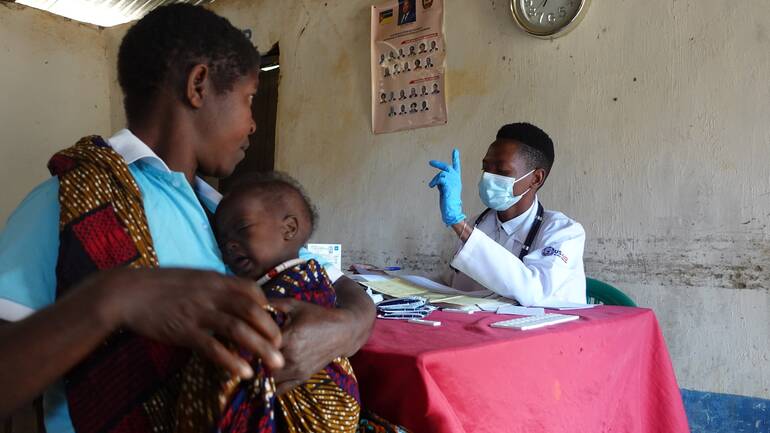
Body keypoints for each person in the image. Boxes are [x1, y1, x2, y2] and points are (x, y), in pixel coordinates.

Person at [0, 4, 375, 432]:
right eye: (249, 99)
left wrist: (344, 328)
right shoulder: (71, 202)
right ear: (198, 85)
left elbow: (339, 283)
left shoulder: (228, 211)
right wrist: (112, 299)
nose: (253, 124)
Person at [178, 172, 362, 432]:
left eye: (242, 229)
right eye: (222, 241)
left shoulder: (303, 282)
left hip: (323, 407)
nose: (230, 245)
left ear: (289, 229)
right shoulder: (269, 281)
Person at [427, 123, 586, 306]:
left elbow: (534, 291)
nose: (488, 177)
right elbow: (454, 285)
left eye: (502, 171)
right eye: (485, 168)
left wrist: (459, 224)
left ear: (536, 178)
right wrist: (396, 284)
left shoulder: (564, 232)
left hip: (547, 332)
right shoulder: (478, 225)